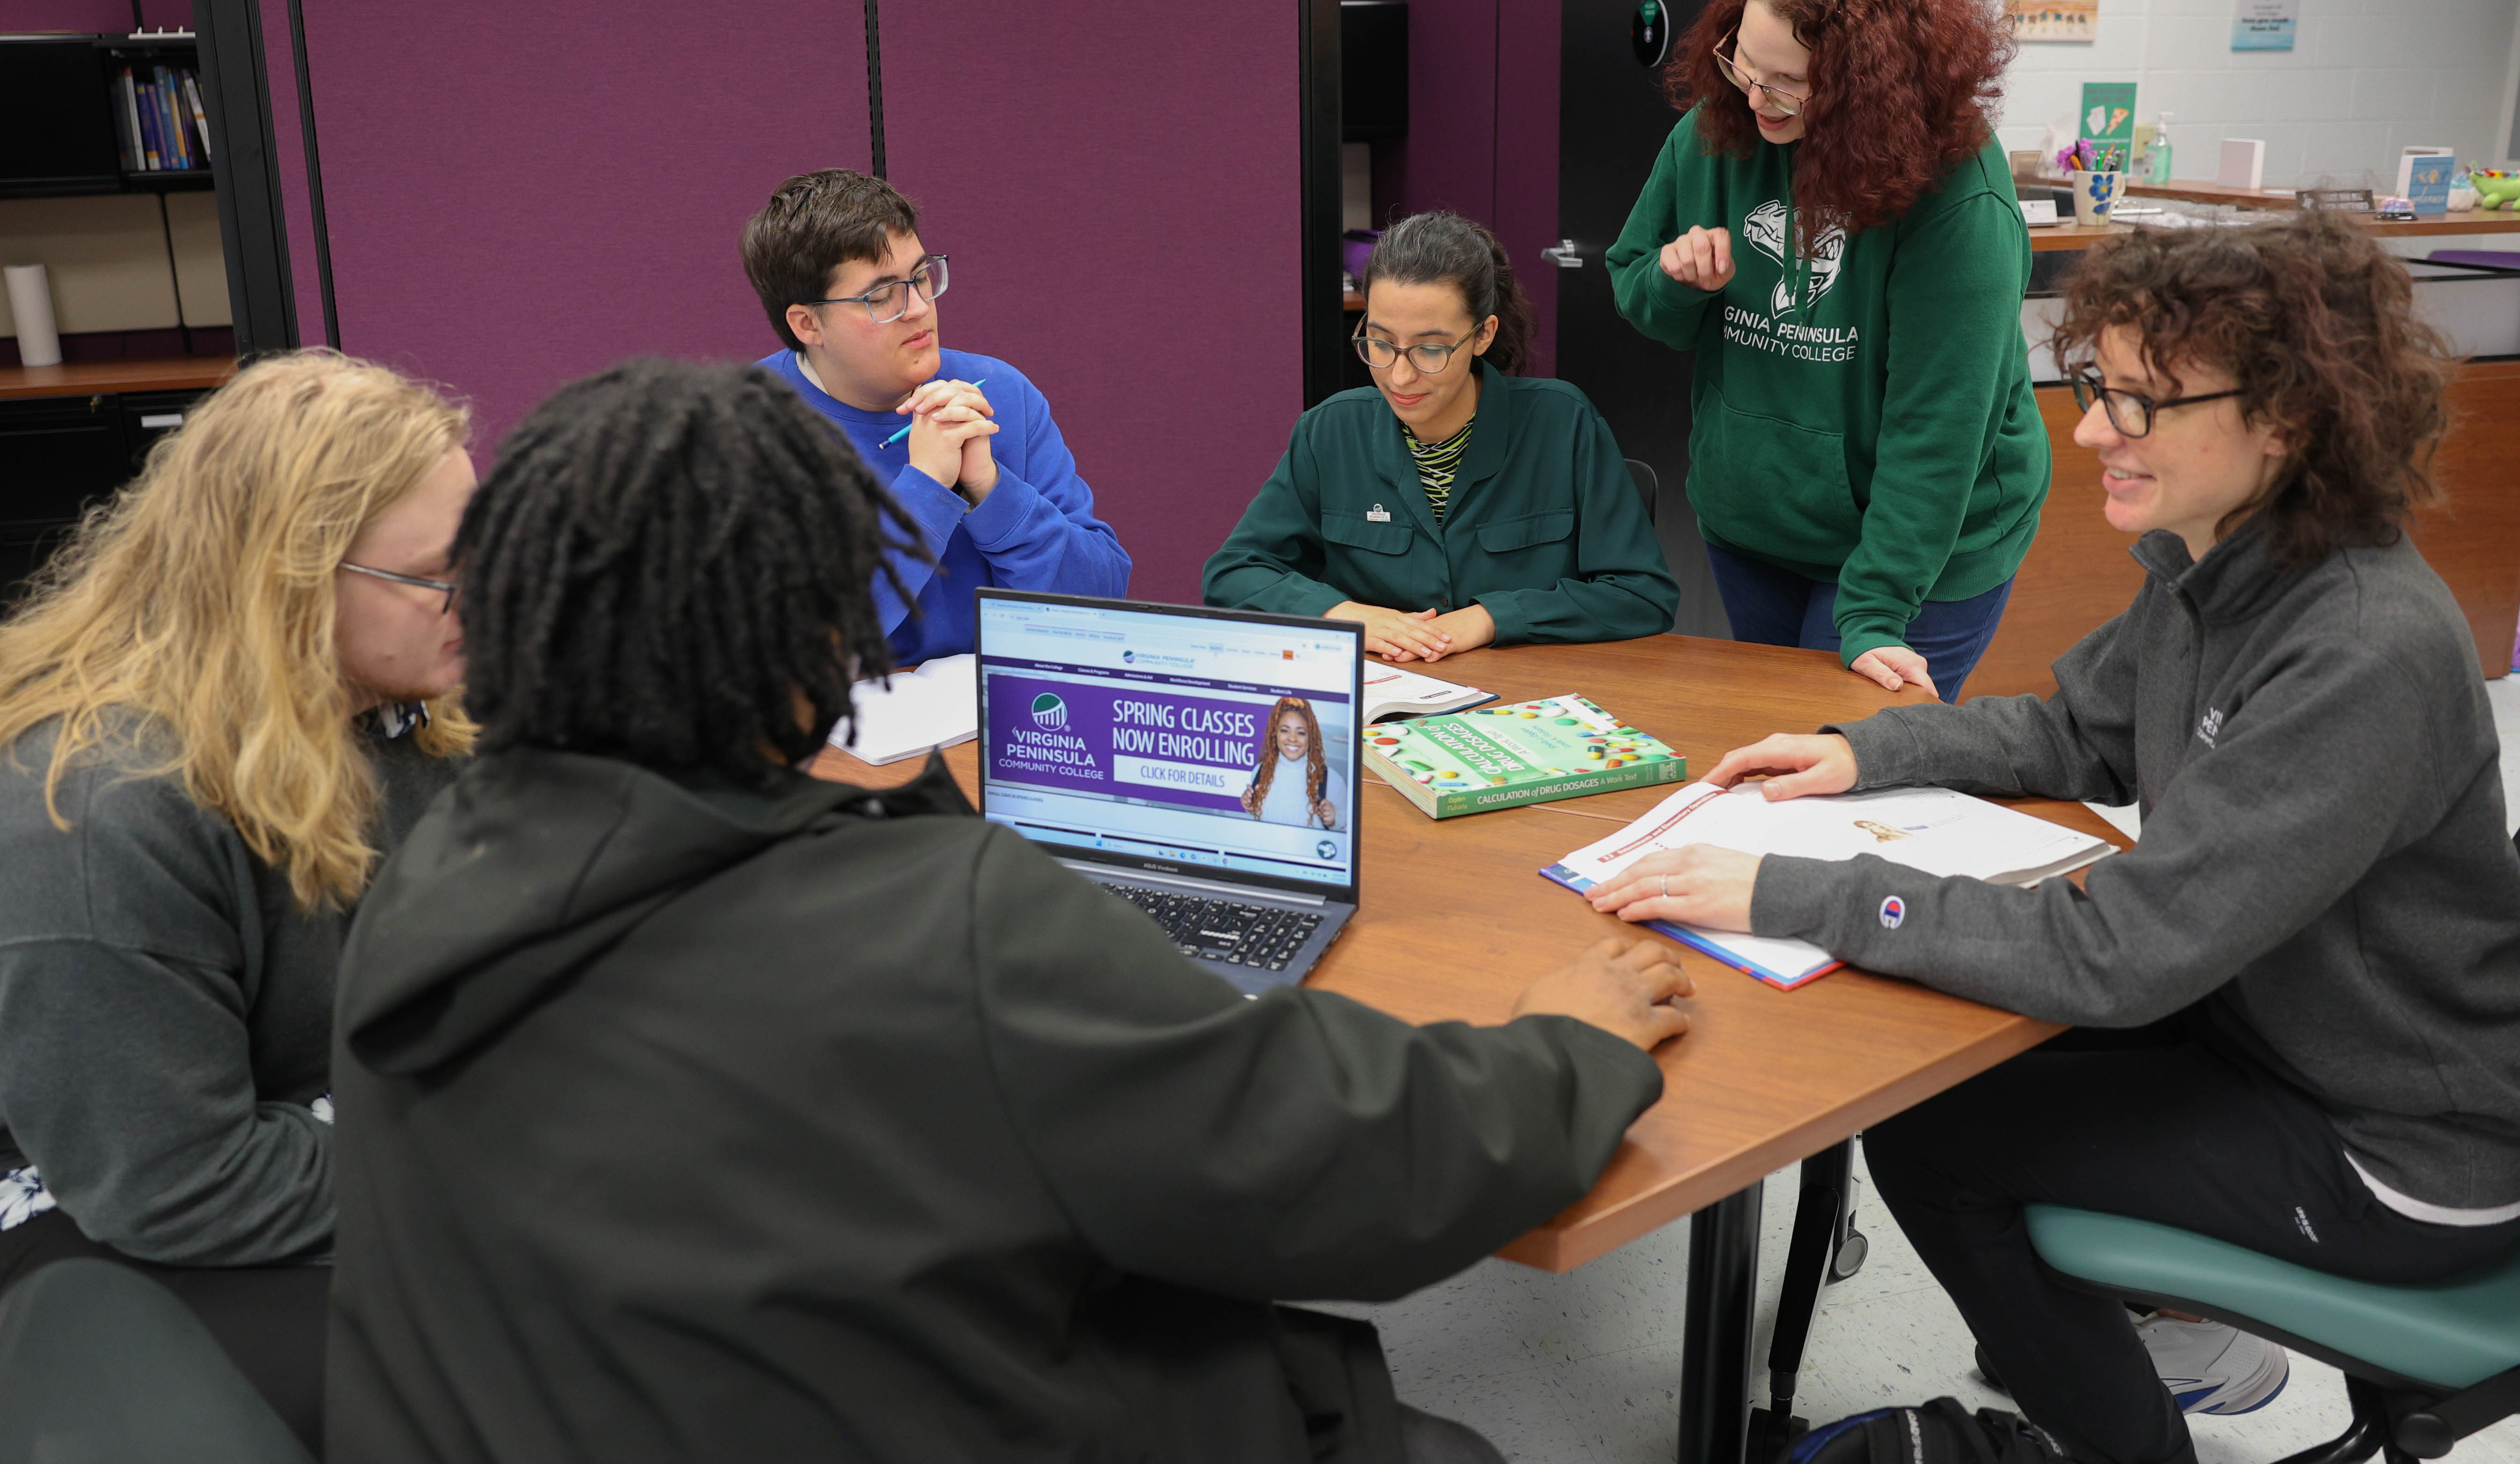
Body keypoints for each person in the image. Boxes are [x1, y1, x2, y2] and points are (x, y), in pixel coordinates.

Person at [326, 359, 1693, 1464]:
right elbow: (1352, 1173)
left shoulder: (432, 871)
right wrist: (1565, 1046)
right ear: (816, 639)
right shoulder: (953, 923)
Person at [1589, 216, 2520, 1464]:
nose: (2090, 429)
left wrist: (1796, 891)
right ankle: (2148, 1340)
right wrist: (1865, 753)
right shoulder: (2224, 564)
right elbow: (2075, 730)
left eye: (2138, 403)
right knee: (1955, 1057)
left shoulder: (2356, 650)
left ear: (2288, 421)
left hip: (2399, 1148)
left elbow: (2121, 954)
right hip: (2278, 1026)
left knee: (1929, 1139)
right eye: (2095, 386)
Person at [0, 351, 474, 1449]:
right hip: (10, 1217)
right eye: (444, 573)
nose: (481, 597)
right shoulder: (87, 807)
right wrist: (497, 1151)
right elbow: (174, 1186)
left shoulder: (375, 702)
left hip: (260, 1117)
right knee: (497, 1351)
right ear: (292, 582)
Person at [1606, 0, 2047, 703]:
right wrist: (1675, 281)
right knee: (1770, 755)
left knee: (1842, 771)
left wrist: (1875, 612)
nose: (1757, 98)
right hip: (1758, 523)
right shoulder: (1716, 128)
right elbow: (1638, 293)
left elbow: (1939, 428)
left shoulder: (1958, 196)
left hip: (1920, 551)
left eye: (1791, 83)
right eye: (1745, 65)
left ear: (1868, 87)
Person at [1205, 210, 1677, 663]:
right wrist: (1347, 616)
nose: (1400, 376)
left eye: (1431, 349)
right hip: (1390, 702)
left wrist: (1492, 618)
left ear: (1482, 335)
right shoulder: (1328, 431)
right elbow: (1233, 572)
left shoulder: (1563, 423)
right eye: (1380, 342)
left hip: (1530, 702)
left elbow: (1641, 594)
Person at [741, 168, 1129, 663]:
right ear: (807, 323)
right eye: (880, 296)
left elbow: (1102, 603)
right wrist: (925, 488)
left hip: (992, 715)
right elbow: (793, 651)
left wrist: (990, 487)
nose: (919, 308)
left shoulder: (1001, 394)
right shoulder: (742, 431)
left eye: (921, 276)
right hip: (846, 732)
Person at [1241, 694, 1343, 830]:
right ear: (1275, 734)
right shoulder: (1261, 772)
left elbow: (1348, 832)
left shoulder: (1332, 780)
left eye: (1301, 733)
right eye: (1285, 731)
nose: (1293, 739)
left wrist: (1335, 820)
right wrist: (1250, 807)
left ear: (1311, 737)